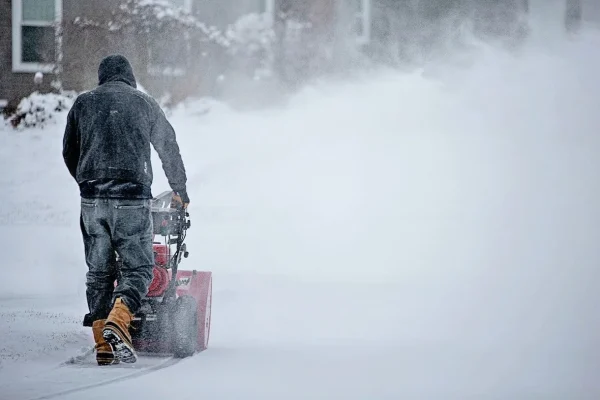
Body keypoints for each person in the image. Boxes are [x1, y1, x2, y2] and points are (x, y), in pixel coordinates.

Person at [62, 54, 190, 365]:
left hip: (92, 200)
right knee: (138, 270)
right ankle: (118, 322)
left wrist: (86, 180)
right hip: (132, 199)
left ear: (101, 77)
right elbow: (167, 145)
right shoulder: (143, 103)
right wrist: (180, 190)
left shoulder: (83, 103)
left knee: (99, 273)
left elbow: (69, 150)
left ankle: (102, 344)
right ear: (129, 78)